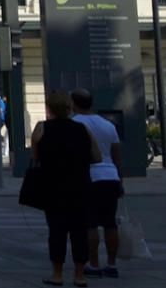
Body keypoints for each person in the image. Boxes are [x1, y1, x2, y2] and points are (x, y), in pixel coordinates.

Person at [31, 91, 101, 287]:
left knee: (56, 231)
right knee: (79, 231)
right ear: (69, 108)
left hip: (53, 188)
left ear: (49, 108)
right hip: (80, 186)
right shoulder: (82, 129)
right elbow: (97, 157)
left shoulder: (41, 128)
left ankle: (57, 274)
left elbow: (35, 158)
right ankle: (80, 275)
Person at [71, 88, 122, 279]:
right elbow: (117, 156)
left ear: (73, 104)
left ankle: (93, 263)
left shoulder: (75, 124)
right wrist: (120, 181)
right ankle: (111, 263)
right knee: (110, 223)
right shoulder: (108, 125)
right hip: (110, 176)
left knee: (90, 223)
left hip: (89, 177)